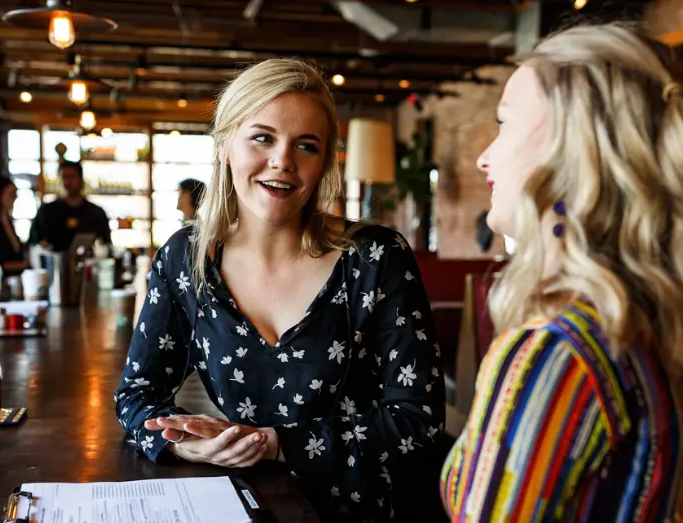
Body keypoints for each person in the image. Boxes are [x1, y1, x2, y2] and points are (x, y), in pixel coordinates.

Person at [116, 58, 447, 521]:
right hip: (243, 506)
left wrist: (275, 444)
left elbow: (420, 422)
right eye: (262, 137)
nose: (283, 161)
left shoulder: (376, 258)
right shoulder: (184, 258)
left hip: (361, 509)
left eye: (305, 146)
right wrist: (187, 444)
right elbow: (136, 395)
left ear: (323, 163)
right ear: (226, 144)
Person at [440, 23, 683, 522]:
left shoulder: (557, 350)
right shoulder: (652, 324)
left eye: (505, 123)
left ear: (572, 148)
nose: (483, 157)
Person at [28, 161, 112, 252]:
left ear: (81, 179)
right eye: (64, 177)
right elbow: (34, 244)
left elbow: (106, 245)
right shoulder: (46, 212)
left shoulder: (95, 213)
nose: (67, 182)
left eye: (71, 177)